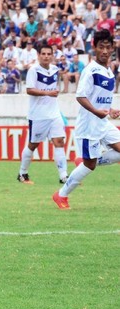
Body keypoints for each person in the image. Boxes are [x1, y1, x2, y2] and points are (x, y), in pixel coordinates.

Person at [53, 30, 120, 209]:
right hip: (89, 125)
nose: (105, 51)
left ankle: (85, 161)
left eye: (108, 47)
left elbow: (98, 97)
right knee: (90, 166)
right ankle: (61, 195)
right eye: (101, 47)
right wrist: (97, 111)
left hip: (103, 123)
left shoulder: (108, 70)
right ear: (94, 48)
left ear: (112, 48)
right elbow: (81, 96)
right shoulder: (90, 70)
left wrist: (110, 109)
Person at [17, 45, 68, 185]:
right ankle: (22, 173)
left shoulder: (55, 69)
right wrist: (47, 93)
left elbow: (54, 87)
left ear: (52, 55)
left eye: (48, 54)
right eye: (43, 54)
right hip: (38, 115)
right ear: (38, 55)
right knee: (33, 145)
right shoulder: (33, 70)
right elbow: (29, 90)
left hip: (54, 113)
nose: (46, 56)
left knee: (59, 142)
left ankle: (64, 176)